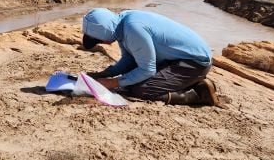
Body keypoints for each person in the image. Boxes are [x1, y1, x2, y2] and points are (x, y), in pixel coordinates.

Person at [82, 8, 219, 106]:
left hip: (194, 63)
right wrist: (107, 73)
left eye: (99, 39)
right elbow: (129, 59)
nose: (102, 43)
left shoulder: (133, 28)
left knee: (141, 89)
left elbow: (147, 69)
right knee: (130, 77)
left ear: (106, 30)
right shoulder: (122, 23)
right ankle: (186, 81)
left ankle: (198, 94)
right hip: (175, 59)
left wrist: (112, 83)